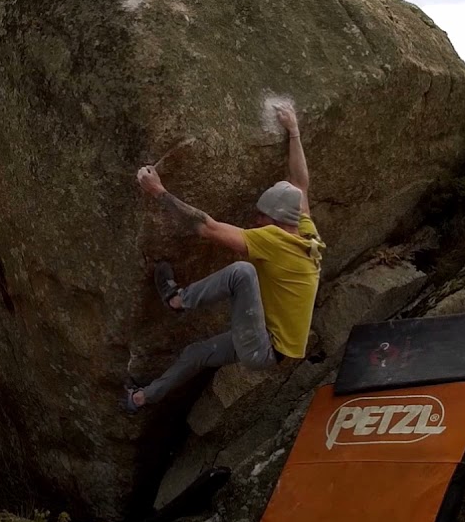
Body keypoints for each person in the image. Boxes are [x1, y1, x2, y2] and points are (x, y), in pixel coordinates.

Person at [124, 102, 325, 413]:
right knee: (196, 353)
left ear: (279, 222)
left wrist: (158, 191)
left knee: (242, 273)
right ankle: (141, 399)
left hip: (263, 346)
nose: (257, 221)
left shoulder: (276, 240)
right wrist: (294, 131)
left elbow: (207, 227)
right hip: (268, 343)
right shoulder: (306, 232)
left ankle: (177, 300)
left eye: (263, 217)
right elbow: (301, 184)